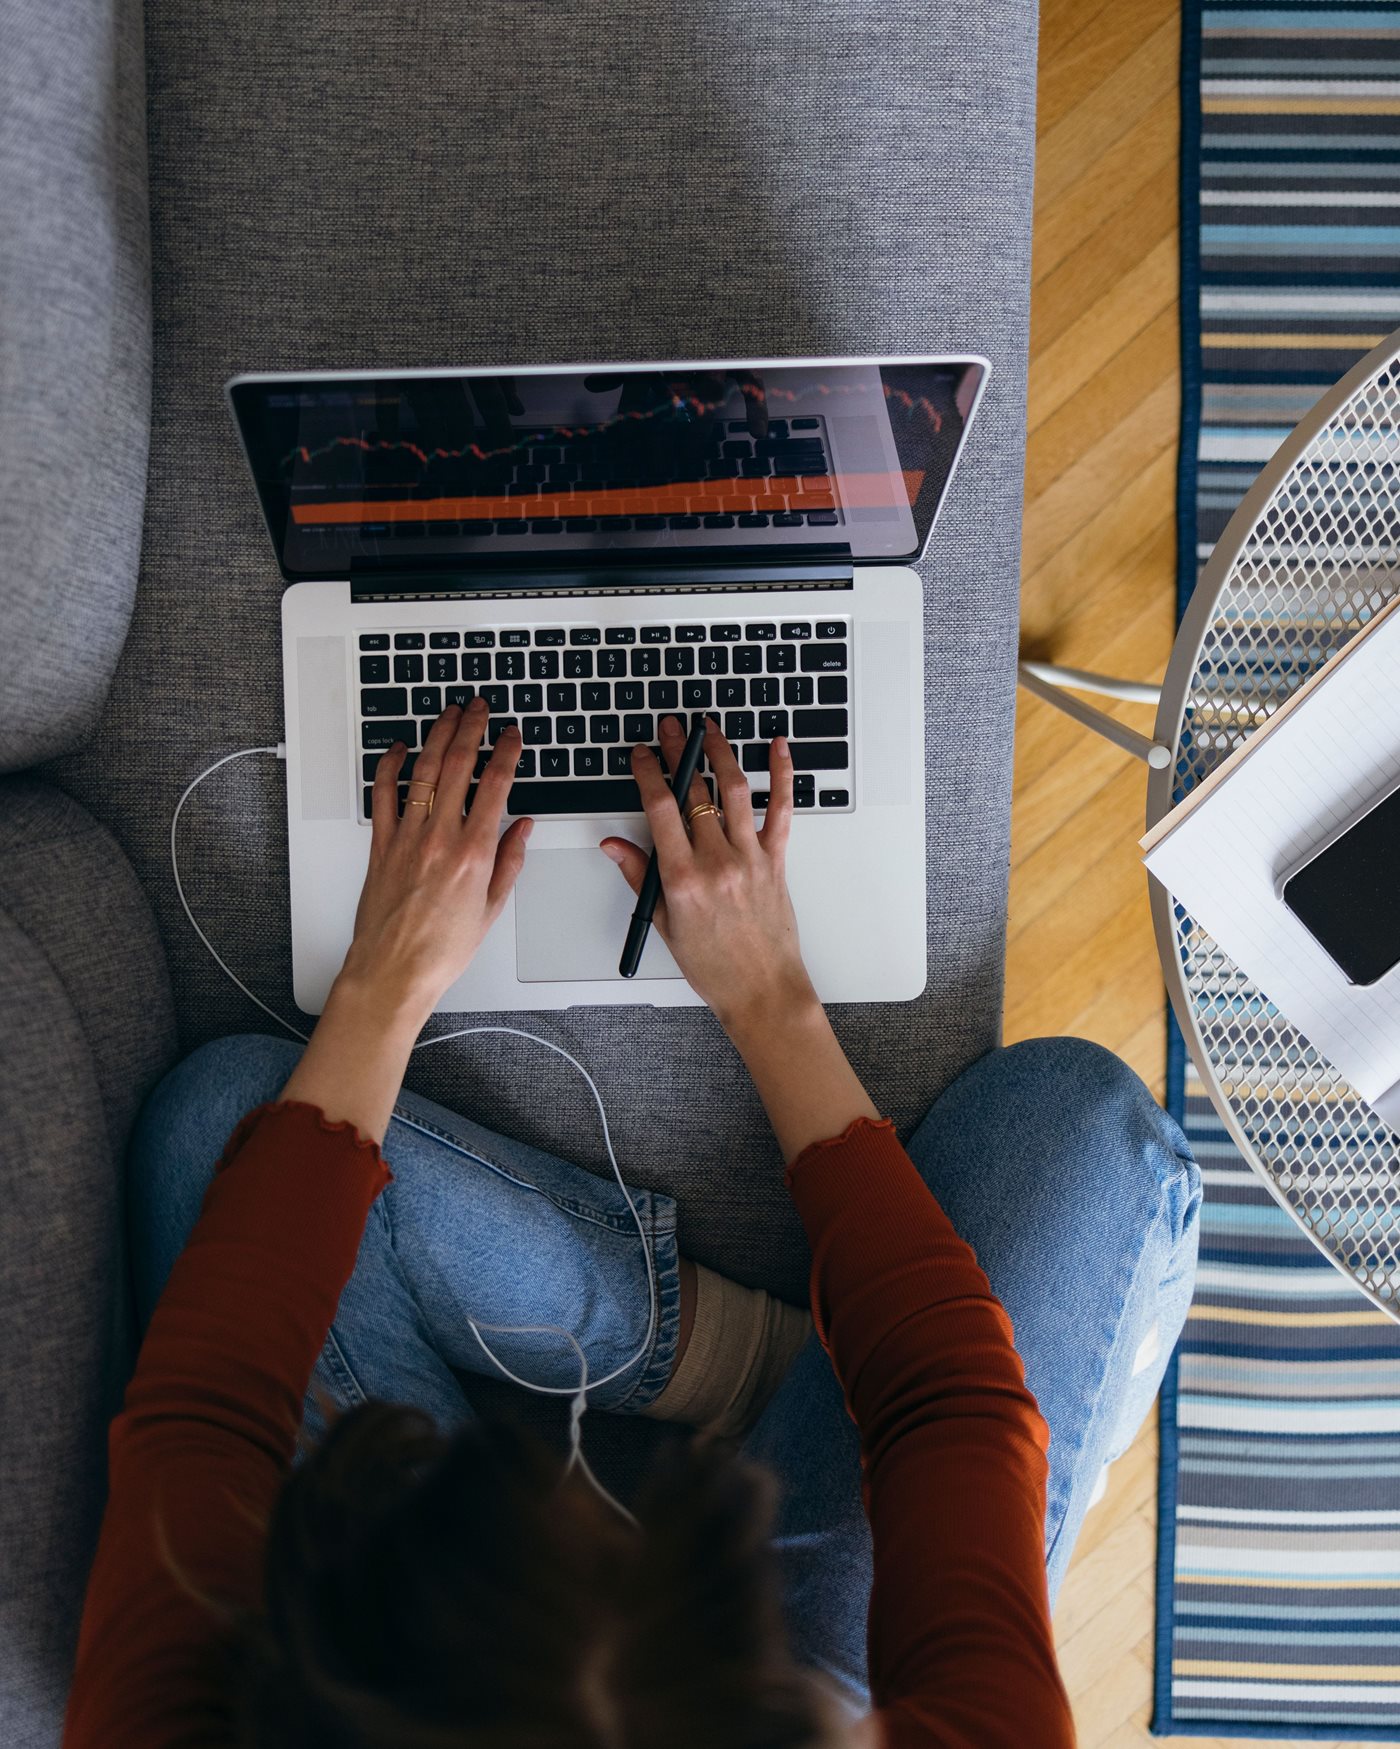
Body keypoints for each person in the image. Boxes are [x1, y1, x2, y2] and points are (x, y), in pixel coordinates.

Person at [63, 699, 1201, 1748]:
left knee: (230, 1130)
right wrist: (768, 1001)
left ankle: (746, 1367)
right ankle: (838, 1398)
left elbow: (210, 1407)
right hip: (794, 1662)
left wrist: (387, 980)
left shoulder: (183, 1719)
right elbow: (952, 1406)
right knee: (1078, 1126)